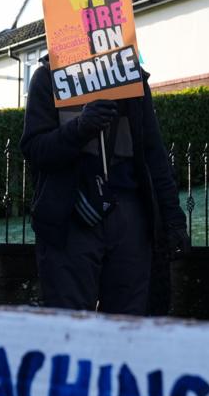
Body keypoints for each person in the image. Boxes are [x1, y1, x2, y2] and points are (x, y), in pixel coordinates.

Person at [21, 58, 188, 314]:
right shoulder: (47, 77)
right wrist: (80, 128)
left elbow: (153, 153)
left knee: (127, 323)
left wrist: (173, 218)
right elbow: (35, 150)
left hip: (130, 215)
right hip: (70, 218)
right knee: (70, 323)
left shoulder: (132, 78)